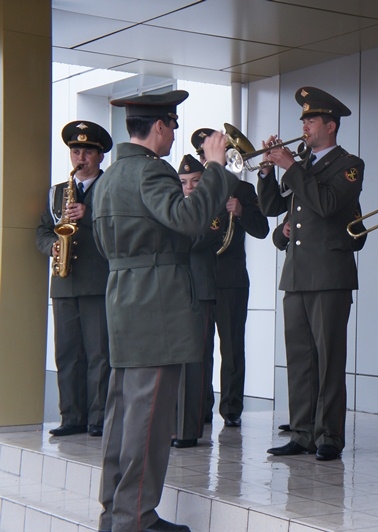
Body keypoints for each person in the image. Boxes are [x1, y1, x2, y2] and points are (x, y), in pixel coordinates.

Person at [92, 90, 240, 532]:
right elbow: (191, 220)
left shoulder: (109, 177)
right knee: (149, 420)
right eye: (173, 126)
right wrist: (214, 166)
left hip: (123, 297)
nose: (175, 134)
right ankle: (135, 517)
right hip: (156, 304)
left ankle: (115, 513)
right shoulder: (151, 172)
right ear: (159, 126)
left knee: (123, 416)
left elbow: (129, 241)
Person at [257, 86, 364, 461]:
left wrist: (291, 167)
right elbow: (271, 206)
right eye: (302, 119)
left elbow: (328, 205)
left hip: (330, 275)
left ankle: (329, 436)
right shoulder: (301, 165)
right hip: (297, 274)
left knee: (328, 358)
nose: (303, 125)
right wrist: (268, 171)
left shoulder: (349, 165)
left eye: (310, 119)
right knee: (300, 358)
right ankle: (302, 432)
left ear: (330, 126)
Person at [36, 120, 113, 438]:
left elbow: (118, 232)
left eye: (87, 152)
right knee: (67, 352)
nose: (80, 158)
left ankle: (98, 418)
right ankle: (71, 416)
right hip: (64, 283)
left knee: (99, 353)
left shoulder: (111, 189)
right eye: (76, 151)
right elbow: (41, 230)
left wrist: (90, 217)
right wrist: (51, 245)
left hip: (97, 282)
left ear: (99, 157)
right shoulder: (57, 193)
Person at [191, 128, 270, 428]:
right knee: (200, 349)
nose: (204, 159)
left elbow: (262, 230)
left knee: (232, 348)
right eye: (201, 154)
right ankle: (201, 407)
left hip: (231, 280)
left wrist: (241, 213)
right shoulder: (195, 190)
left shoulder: (242, 190)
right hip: (200, 280)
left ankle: (232, 409)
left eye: (208, 153)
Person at [171, 154, 224, 449]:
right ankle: (173, 425)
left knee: (195, 363)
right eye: (183, 183)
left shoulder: (212, 208)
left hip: (200, 291)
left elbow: (192, 242)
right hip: (176, 292)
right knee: (175, 363)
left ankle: (188, 429)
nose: (189, 188)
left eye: (195, 182)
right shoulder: (179, 211)